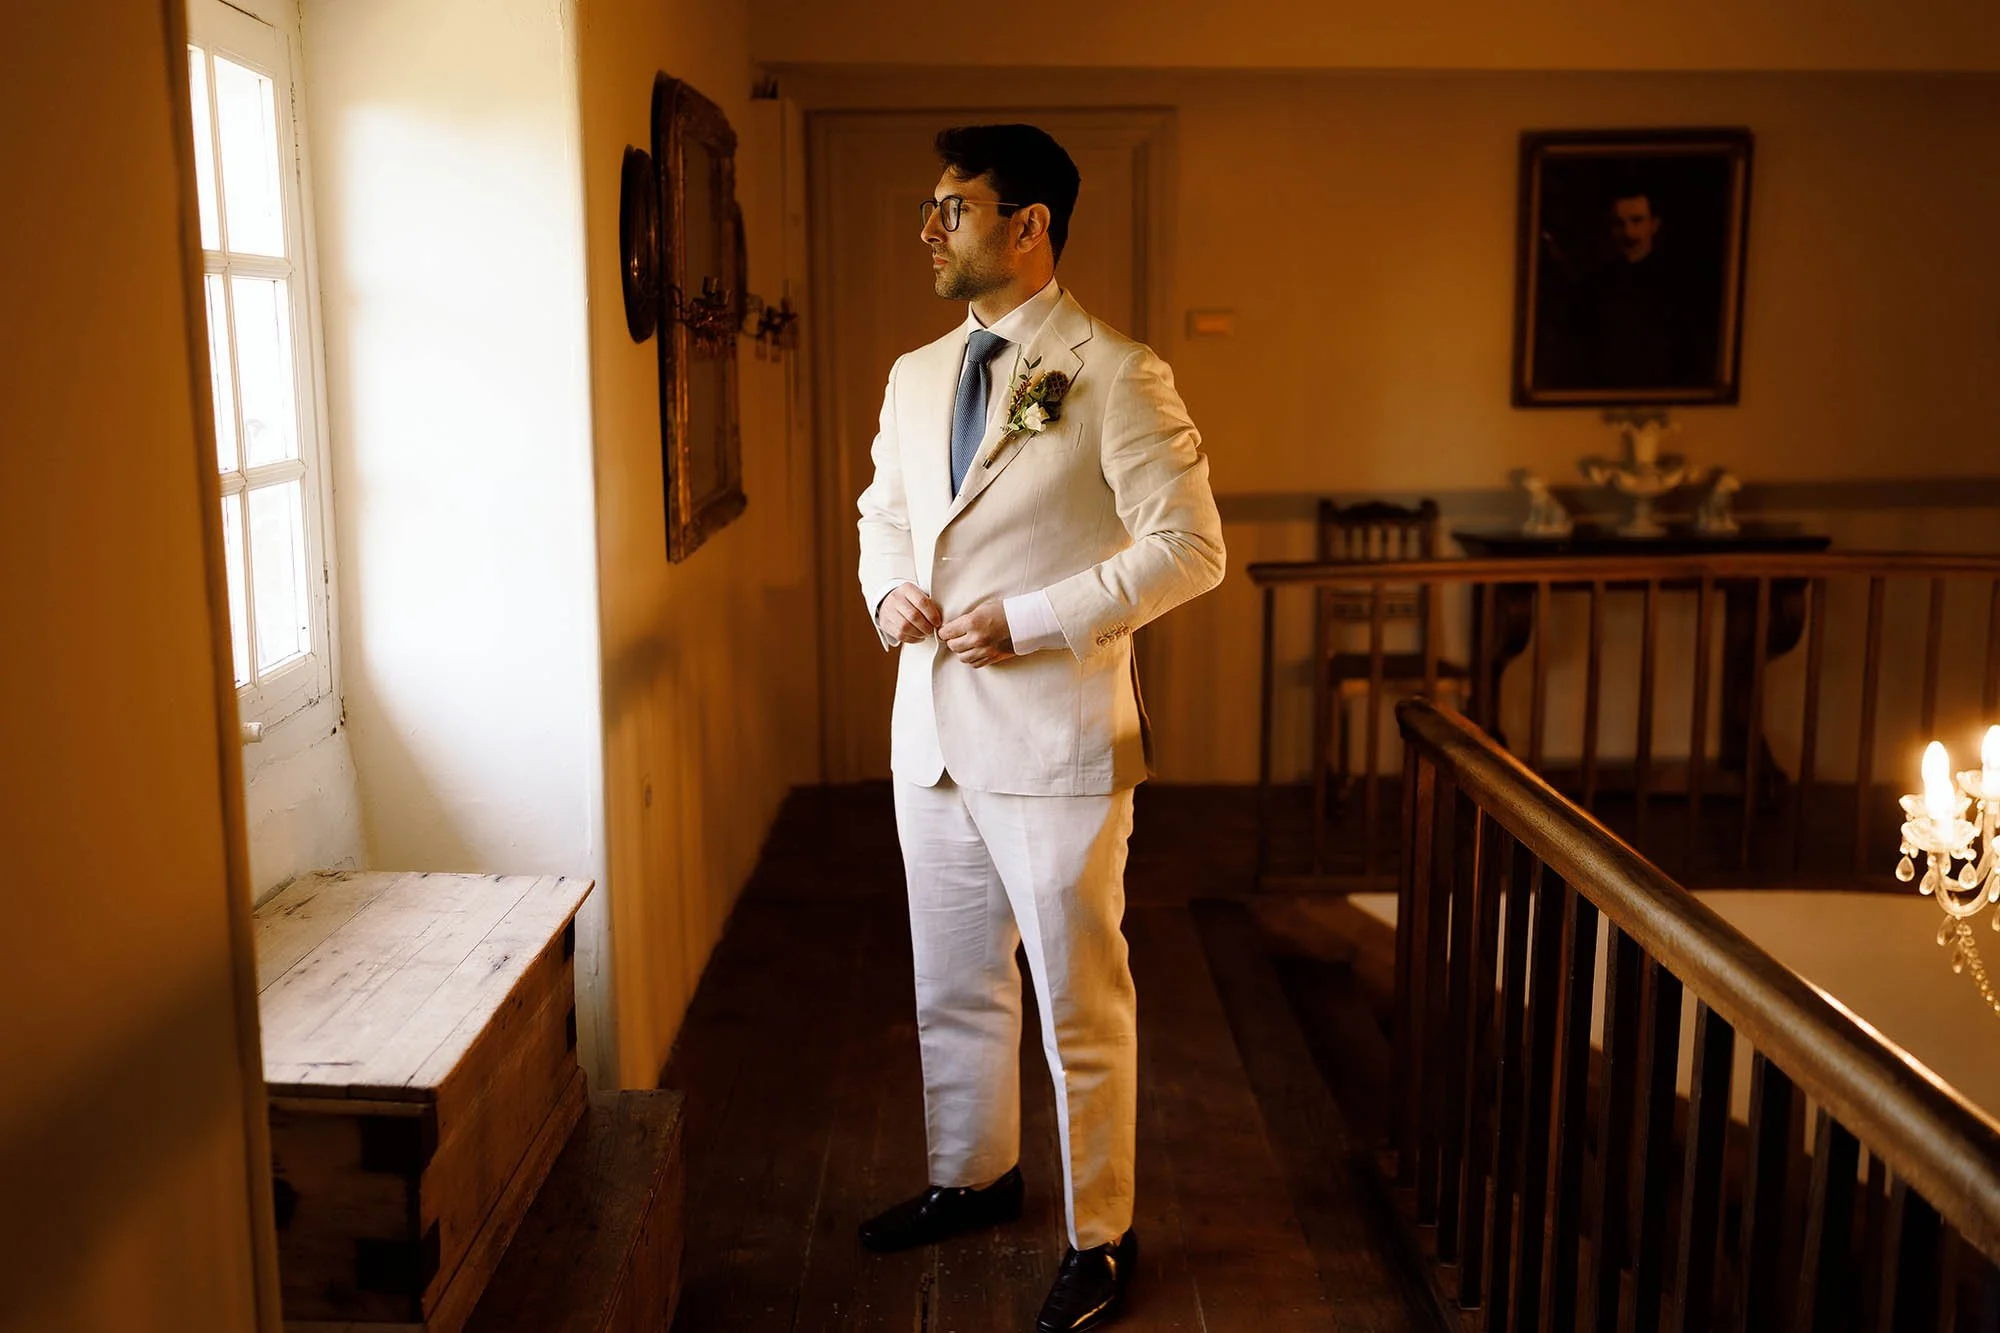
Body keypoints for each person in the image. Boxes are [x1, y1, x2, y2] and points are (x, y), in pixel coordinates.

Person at [854, 123, 1224, 1332]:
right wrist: (887, 589)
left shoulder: (1115, 370)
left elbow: (1190, 550)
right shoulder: (914, 374)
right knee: (951, 986)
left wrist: (1037, 617)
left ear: (1028, 226)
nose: (928, 229)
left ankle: (1101, 1237)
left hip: (1058, 744)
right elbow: (885, 514)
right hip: (933, 739)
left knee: (1077, 1004)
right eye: (930, 208)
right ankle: (972, 1176)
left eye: (950, 208)